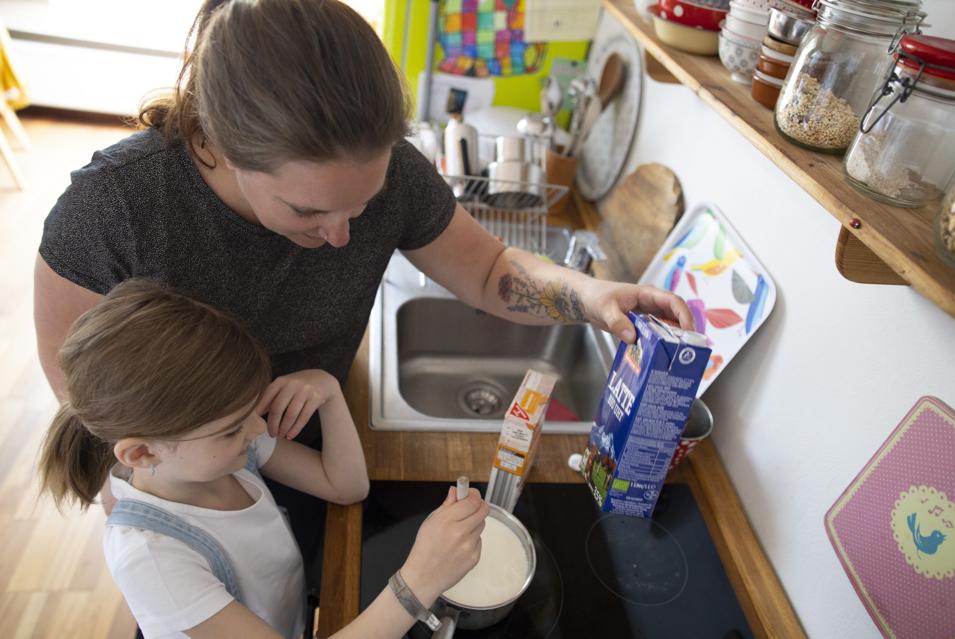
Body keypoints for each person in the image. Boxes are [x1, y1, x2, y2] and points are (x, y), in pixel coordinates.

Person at [34, 0, 691, 574]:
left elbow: (489, 271)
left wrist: (591, 296)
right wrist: (169, 475)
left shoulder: (398, 175)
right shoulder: (113, 206)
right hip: (190, 474)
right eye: (308, 212)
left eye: (363, 202)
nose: (344, 235)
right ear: (226, 146)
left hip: (310, 438)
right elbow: (80, 384)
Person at [38, 279, 489, 639]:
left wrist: (329, 392)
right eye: (235, 426)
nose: (258, 429)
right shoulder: (151, 556)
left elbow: (347, 486)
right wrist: (419, 582)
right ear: (141, 452)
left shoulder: (225, 453)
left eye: (250, 412)